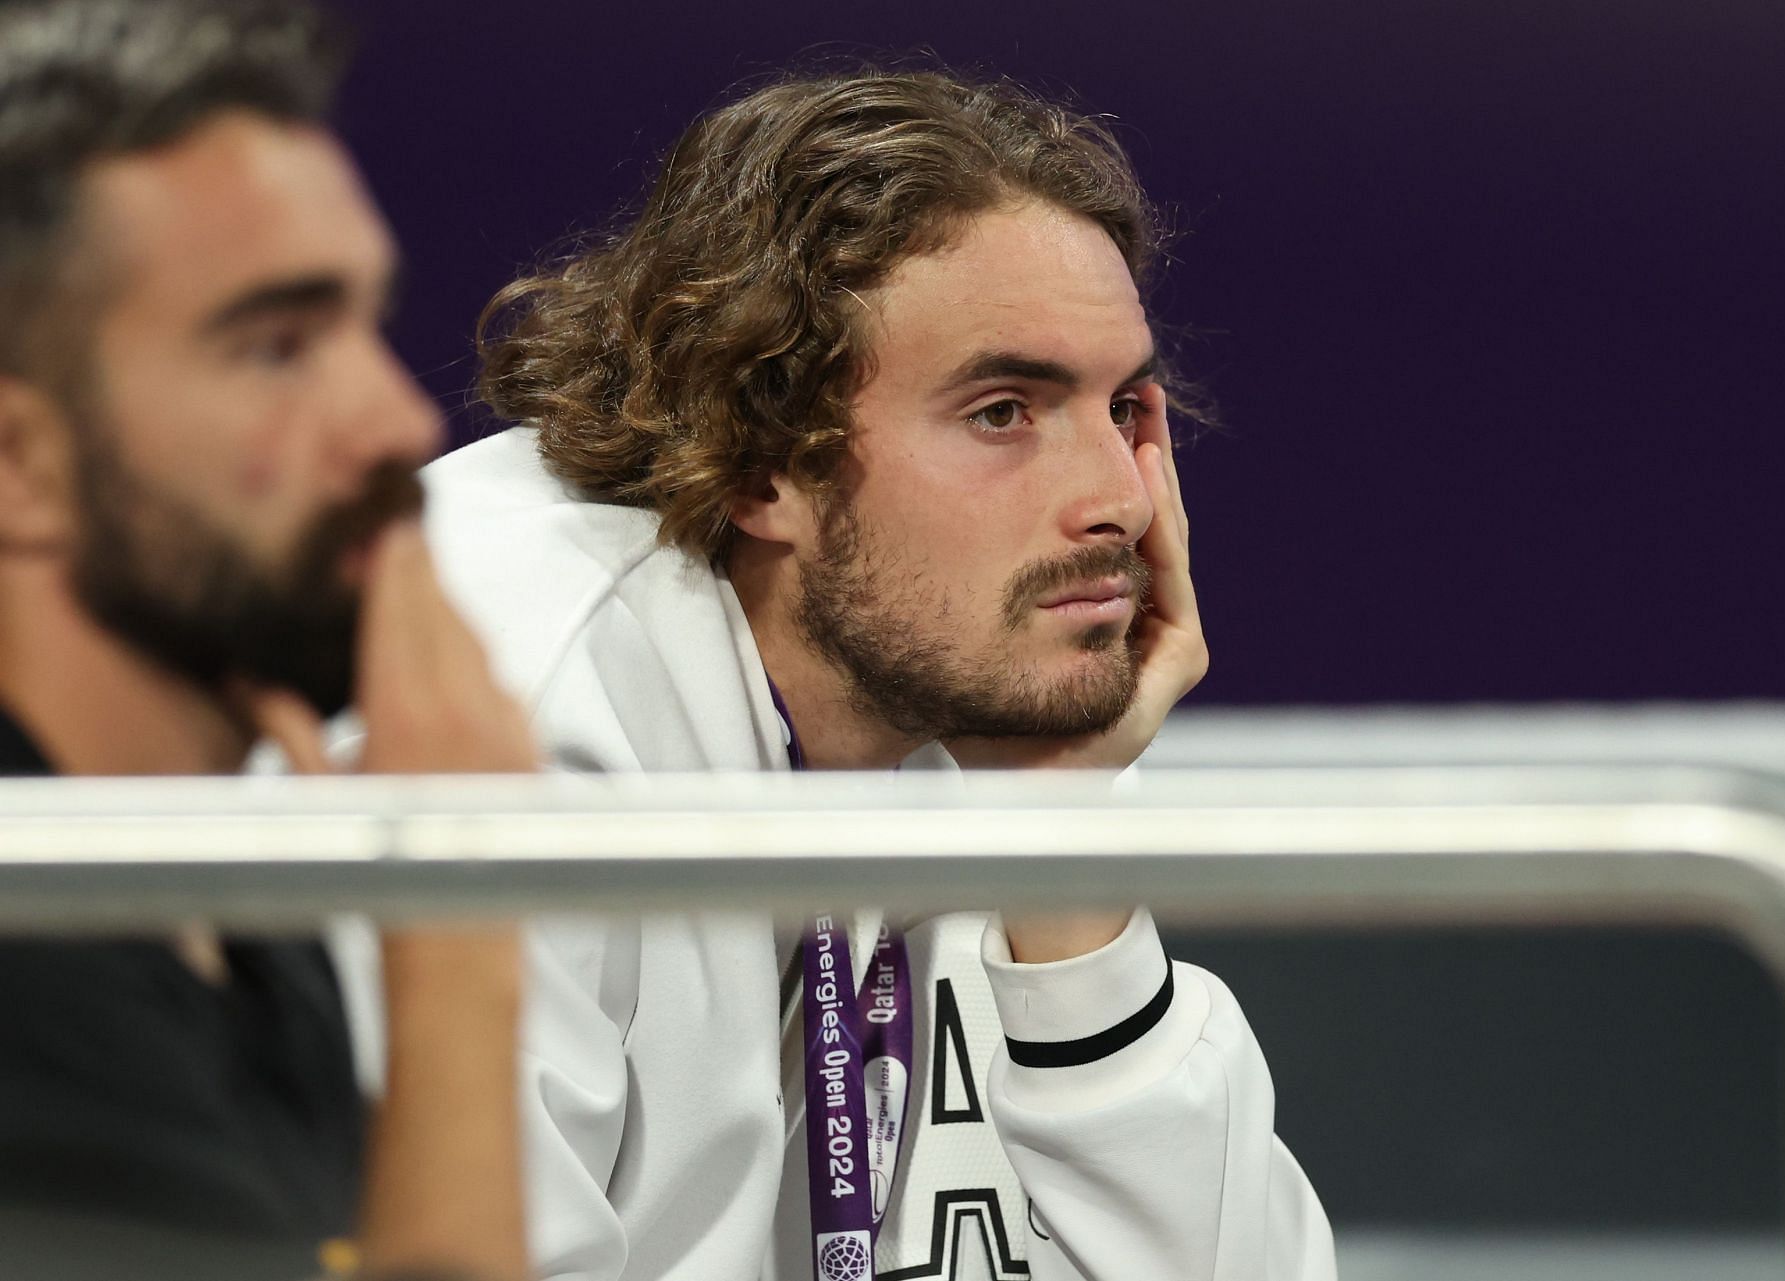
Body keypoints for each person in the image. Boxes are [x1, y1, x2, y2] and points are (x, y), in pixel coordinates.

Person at [409, 68, 1336, 1281]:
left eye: (1122, 408)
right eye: (1006, 412)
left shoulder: (962, 726)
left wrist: (1057, 845)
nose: (1118, 499)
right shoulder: (509, 711)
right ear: (761, 467)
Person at [0, 2, 534, 1278]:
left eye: (364, 324)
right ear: (18, 462)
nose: (398, 421)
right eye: (278, 345)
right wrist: (462, 907)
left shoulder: (235, 892)